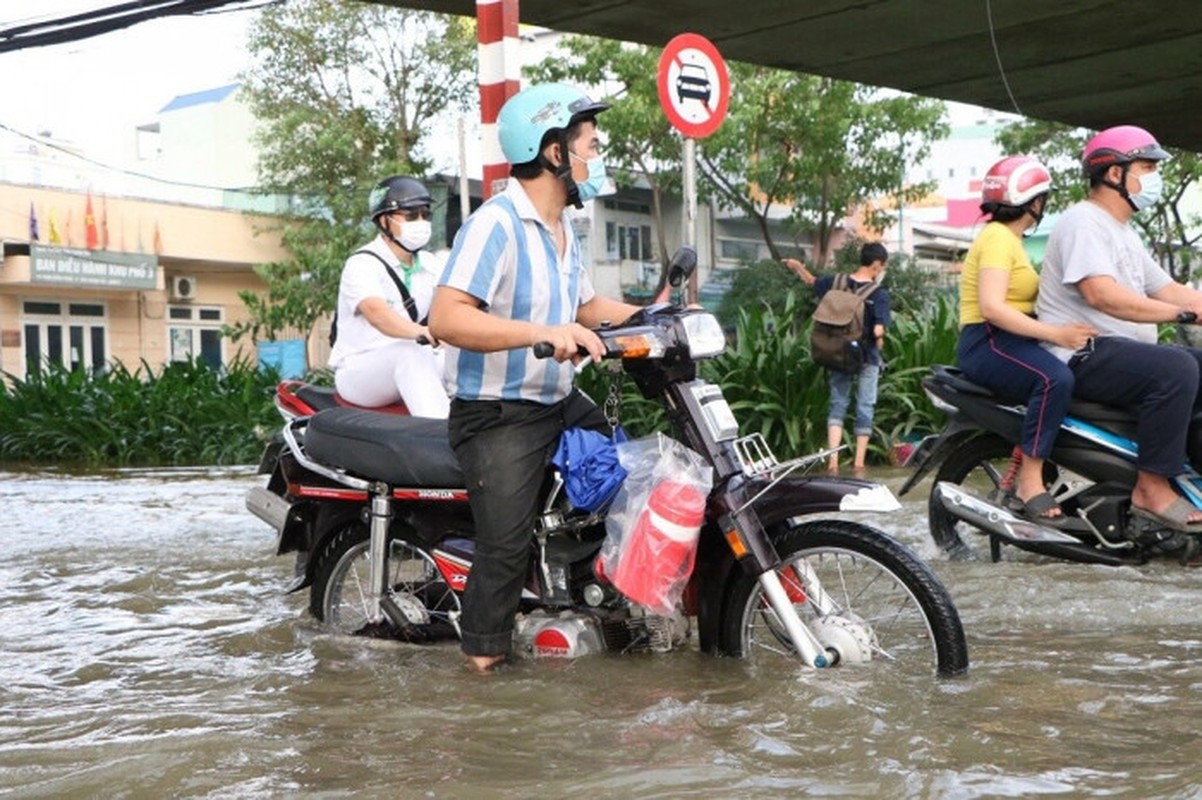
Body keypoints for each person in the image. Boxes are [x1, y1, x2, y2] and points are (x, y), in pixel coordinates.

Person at [427, 83, 642, 672]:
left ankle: (597, 611)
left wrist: (663, 317)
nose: (594, 155)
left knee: (632, 479)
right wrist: (538, 333)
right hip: (496, 412)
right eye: (587, 145)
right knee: (505, 545)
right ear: (554, 153)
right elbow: (446, 317)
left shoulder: (565, 231)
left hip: (557, 403)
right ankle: (483, 671)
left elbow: (584, 309)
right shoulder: (495, 224)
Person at [1037, 124, 1202, 532]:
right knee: (1176, 369)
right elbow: (1101, 295)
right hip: (1083, 353)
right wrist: (1178, 316)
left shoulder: (1123, 232)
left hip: (1119, 354)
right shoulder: (1083, 222)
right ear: (1114, 173)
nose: (1154, 177)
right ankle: (1150, 487)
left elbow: (1168, 288)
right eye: (1147, 167)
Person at [956, 156, 1096, 522]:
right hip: (988, 340)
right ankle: (1030, 481)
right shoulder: (999, 240)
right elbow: (992, 307)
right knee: (1054, 379)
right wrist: (1057, 335)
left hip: (1008, 340)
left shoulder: (1008, 241)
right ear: (1035, 202)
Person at [327, 175, 450, 418]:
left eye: (425, 214)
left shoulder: (431, 264)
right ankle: (439, 440)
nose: (421, 221)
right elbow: (377, 314)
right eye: (411, 215)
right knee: (410, 352)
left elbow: (449, 308)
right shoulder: (362, 264)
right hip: (360, 371)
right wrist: (423, 332)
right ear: (384, 220)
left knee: (466, 358)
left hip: (414, 362)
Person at [783, 243, 892, 474]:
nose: (882, 270)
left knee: (837, 404)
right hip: (866, 357)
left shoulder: (836, 282)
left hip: (837, 353)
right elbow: (878, 332)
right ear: (876, 265)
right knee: (865, 405)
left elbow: (811, 281)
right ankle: (859, 464)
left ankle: (833, 462)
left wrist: (797, 267)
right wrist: (880, 344)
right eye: (882, 266)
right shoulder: (878, 294)